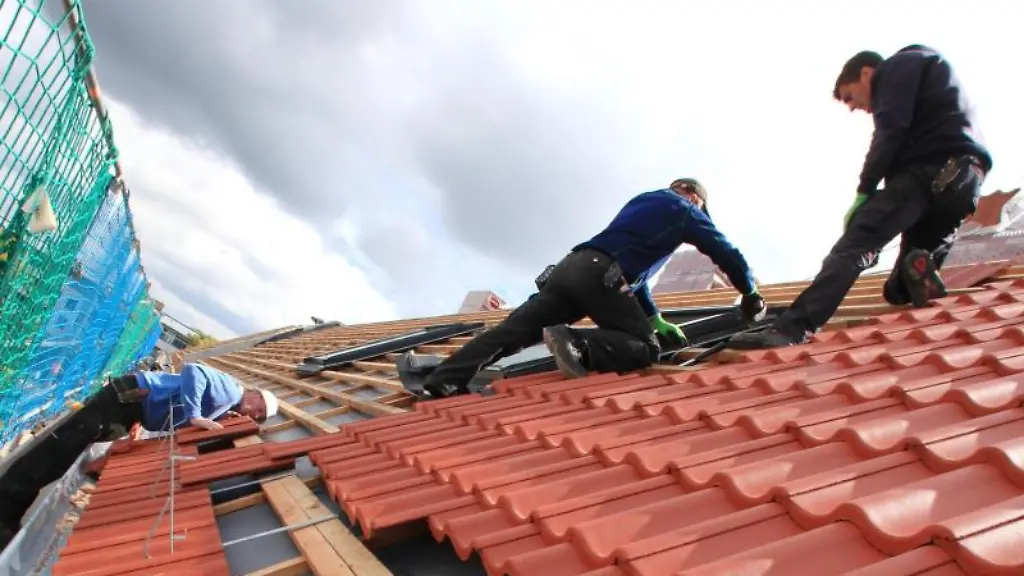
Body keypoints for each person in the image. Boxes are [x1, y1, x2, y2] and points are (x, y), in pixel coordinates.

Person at [729, 45, 992, 350]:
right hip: (965, 185)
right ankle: (915, 269)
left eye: (850, 97)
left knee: (855, 244)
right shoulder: (933, 80)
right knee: (900, 289)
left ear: (867, 73)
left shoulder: (898, 66)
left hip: (932, 171)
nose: (854, 107)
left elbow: (890, 130)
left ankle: (792, 329)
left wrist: (865, 193)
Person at [422, 178, 766, 398]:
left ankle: (444, 379)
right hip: (599, 275)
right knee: (646, 347)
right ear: (693, 197)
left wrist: (656, 317)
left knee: (511, 332)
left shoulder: (644, 202)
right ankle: (575, 343)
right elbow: (726, 252)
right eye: (701, 209)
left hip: (570, 268)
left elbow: (635, 276)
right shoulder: (684, 210)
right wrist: (750, 294)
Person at [0, 362, 277, 547]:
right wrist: (194, 415)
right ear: (254, 396)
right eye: (258, 410)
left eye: (259, 418)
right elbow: (194, 371)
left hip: (130, 407)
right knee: (56, 453)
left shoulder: (225, 405)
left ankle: (8, 516)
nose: (253, 415)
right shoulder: (230, 391)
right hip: (127, 399)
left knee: (62, 455)